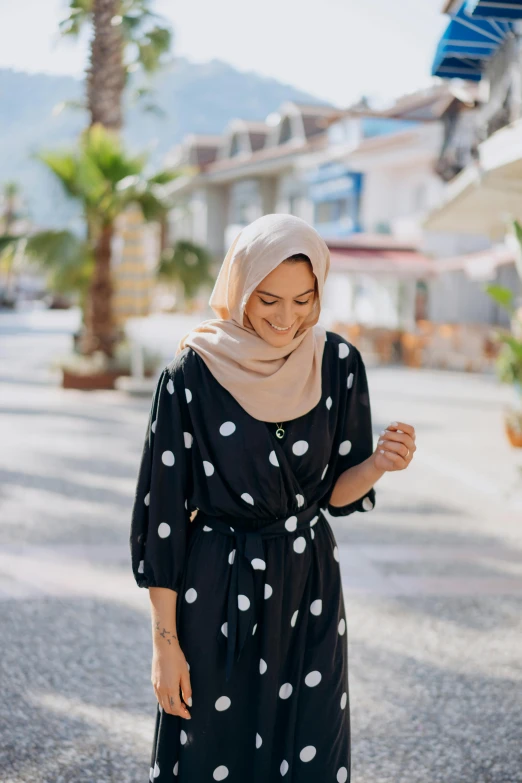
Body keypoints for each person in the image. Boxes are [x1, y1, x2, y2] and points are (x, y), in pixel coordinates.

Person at [130, 213, 416, 782]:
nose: (287, 320)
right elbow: (161, 519)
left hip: (309, 586)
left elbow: (336, 493)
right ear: (239, 290)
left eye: (304, 300)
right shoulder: (191, 375)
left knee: (311, 742)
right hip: (217, 587)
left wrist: (379, 464)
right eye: (268, 301)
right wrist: (165, 645)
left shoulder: (337, 364)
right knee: (212, 748)